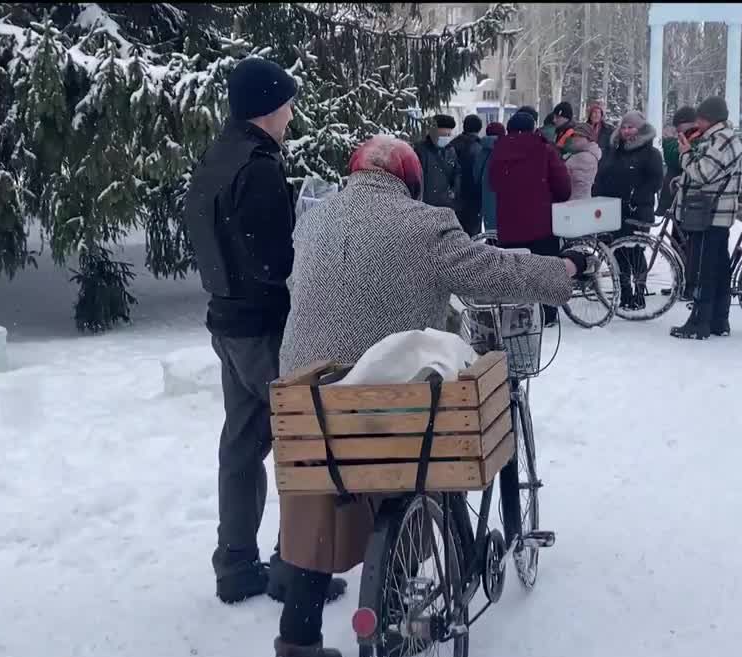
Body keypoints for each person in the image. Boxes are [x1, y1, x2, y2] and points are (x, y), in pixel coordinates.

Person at [273, 135, 590, 657]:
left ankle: (298, 639)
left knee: (322, 499)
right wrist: (565, 269)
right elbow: (495, 274)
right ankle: (401, 607)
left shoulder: (312, 221)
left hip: (312, 400)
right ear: (410, 180)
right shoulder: (425, 224)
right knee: (425, 453)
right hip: (391, 401)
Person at [182, 57, 346, 605]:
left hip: (227, 321)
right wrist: (311, 235)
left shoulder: (218, 155)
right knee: (302, 442)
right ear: (268, 108)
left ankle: (235, 565)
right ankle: (294, 569)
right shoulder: (256, 165)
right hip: (263, 326)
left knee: (243, 442)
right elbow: (274, 260)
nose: (292, 114)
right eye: (288, 104)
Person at [489, 111, 574, 326]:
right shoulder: (544, 149)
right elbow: (563, 186)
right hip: (541, 223)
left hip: (509, 224)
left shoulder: (498, 150)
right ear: (533, 127)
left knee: (514, 271)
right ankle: (546, 314)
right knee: (544, 269)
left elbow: (493, 183)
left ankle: (518, 315)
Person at [670, 96, 742, 340]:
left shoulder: (721, 140)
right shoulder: (721, 138)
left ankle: (699, 324)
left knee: (703, 270)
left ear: (709, 118)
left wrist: (685, 154)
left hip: (710, 216)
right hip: (716, 215)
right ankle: (718, 321)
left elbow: (703, 174)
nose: (697, 123)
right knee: (719, 269)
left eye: (700, 118)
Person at [592, 110, 663, 311]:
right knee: (618, 253)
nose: (626, 131)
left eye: (630, 127)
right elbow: (602, 174)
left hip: (638, 210)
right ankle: (625, 293)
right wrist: (597, 193)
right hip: (613, 210)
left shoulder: (651, 154)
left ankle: (640, 293)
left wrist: (636, 197)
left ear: (640, 130)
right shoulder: (613, 150)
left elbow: (655, 181)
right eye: (623, 127)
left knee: (636, 253)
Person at [659, 106, 705, 301]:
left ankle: (689, 285)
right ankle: (680, 282)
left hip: (689, 201)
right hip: (677, 200)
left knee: (687, 245)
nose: (678, 129)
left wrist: (669, 140)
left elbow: (675, 159)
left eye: (680, 125)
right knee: (677, 242)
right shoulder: (689, 136)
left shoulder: (695, 139)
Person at [414, 114, 461, 208]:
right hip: (426, 206)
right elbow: (415, 178)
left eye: (448, 135)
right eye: (443, 135)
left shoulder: (450, 150)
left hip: (447, 205)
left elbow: (457, 172)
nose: (446, 138)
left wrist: (454, 190)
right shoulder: (421, 150)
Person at [449, 114, 485, 236]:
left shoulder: (452, 145)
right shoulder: (479, 148)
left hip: (455, 197)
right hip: (474, 198)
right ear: (479, 128)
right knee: (473, 238)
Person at [475, 121, 505, 232]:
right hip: (504, 198)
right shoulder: (507, 149)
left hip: (487, 196)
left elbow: (476, 175)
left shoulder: (481, 151)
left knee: (491, 232)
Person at [565, 122, 602, 200]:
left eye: (579, 135)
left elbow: (564, 178)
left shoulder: (584, 158)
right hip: (581, 202)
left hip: (574, 203)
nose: (574, 138)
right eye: (574, 135)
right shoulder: (589, 154)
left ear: (588, 138)